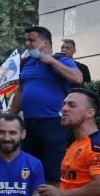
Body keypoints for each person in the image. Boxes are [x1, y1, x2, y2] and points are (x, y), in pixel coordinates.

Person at [9, 25, 83, 183]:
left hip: (53, 123)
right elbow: (20, 91)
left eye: (32, 40)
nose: (27, 44)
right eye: (26, 40)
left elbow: (78, 78)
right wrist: (10, 117)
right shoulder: (26, 63)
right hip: (29, 123)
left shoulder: (61, 60)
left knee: (53, 169)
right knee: (29, 167)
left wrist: (51, 61)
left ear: (46, 43)